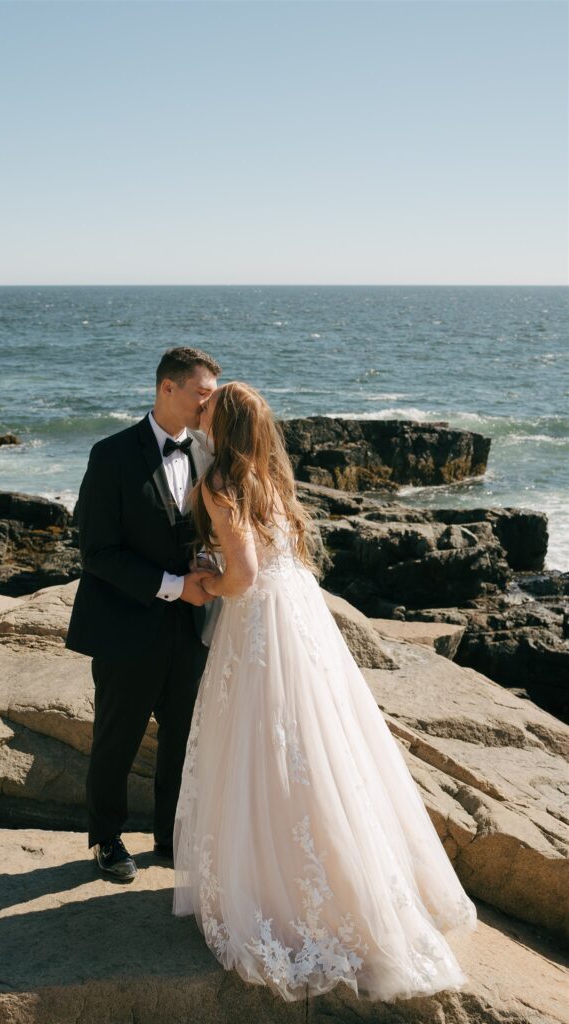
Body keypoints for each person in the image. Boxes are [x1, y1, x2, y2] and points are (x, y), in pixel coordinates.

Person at [172, 381, 478, 1003]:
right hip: (300, 617)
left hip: (259, 620)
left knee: (264, 743)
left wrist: (205, 583)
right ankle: (343, 877)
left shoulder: (220, 484)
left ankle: (271, 883)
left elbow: (246, 574)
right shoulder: (269, 479)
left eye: (208, 408)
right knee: (317, 742)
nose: (198, 411)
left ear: (224, 423)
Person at [65, 346, 221, 881]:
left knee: (182, 736)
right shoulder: (110, 455)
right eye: (203, 393)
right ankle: (106, 839)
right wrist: (177, 586)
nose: (210, 403)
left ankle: (170, 836)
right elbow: (98, 553)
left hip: (190, 627)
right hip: (125, 623)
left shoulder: (206, 451)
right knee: (117, 736)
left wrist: (209, 567)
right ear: (167, 389)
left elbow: (206, 532)